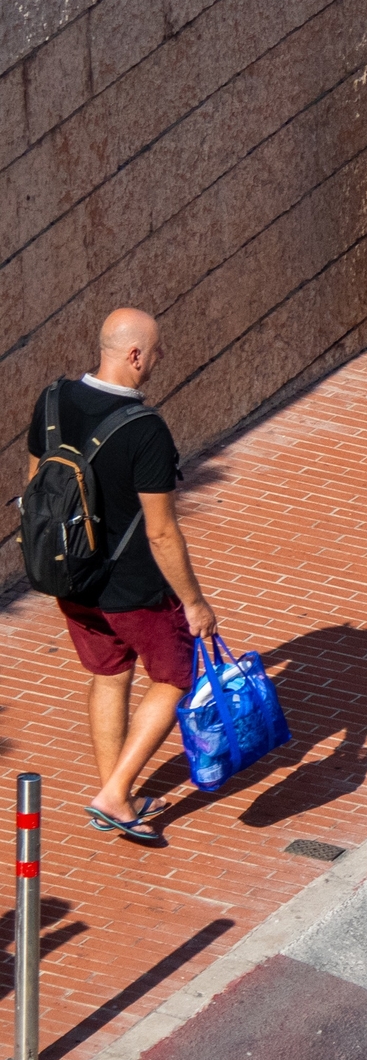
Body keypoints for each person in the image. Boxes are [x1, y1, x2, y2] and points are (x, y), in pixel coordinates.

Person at [22, 310, 219, 843]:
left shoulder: (53, 400)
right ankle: (113, 796)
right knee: (174, 677)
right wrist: (194, 602)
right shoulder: (146, 431)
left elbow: (37, 487)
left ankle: (120, 793)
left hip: (69, 578)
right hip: (131, 588)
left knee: (109, 674)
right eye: (157, 352)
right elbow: (161, 533)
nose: (159, 360)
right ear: (134, 355)